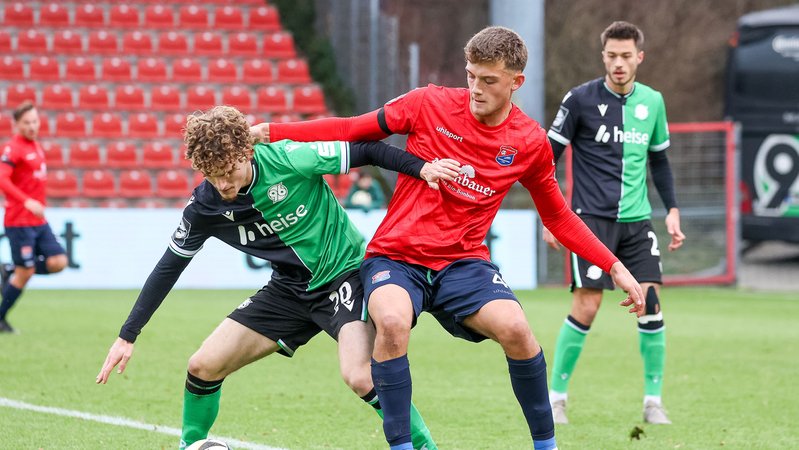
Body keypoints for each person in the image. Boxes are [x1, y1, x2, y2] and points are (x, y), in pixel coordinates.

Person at [252, 26, 646, 450]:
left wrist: (616, 267)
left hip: (463, 264)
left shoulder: (529, 142)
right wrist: (272, 131)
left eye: (489, 80)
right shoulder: (428, 103)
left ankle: (546, 446)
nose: (476, 89)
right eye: (471, 76)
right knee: (391, 321)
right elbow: (354, 127)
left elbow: (560, 216)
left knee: (516, 328)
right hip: (396, 256)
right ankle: (404, 446)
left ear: (517, 82)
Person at [95, 106, 461, 450]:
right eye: (212, 174)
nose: (222, 183)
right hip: (287, 289)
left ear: (246, 153)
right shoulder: (205, 207)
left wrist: (421, 168)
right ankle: (190, 446)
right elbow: (168, 266)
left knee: (360, 376)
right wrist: (128, 335)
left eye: (229, 171)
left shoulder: (289, 158)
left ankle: (424, 447)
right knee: (202, 366)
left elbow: (368, 150)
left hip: (344, 276)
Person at [544, 21, 686, 425]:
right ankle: (557, 398)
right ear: (602, 56)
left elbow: (659, 160)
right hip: (589, 222)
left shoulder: (653, 102)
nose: (619, 63)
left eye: (626, 56)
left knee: (651, 305)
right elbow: (546, 159)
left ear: (639, 57)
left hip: (638, 223)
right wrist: (550, 217)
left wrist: (672, 209)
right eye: (612, 55)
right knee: (587, 306)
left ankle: (653, 402)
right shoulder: (579, 100)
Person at [0, 102, 68, 333]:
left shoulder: (36, 146)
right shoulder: (13, 148)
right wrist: (26, 200)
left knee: (58, 262)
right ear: (17, 124)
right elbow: (2, 179)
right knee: (25, 273)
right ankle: (1, 319)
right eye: (27, 122)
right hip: (19, 221)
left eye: (35, 121)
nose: (32, 126)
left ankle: (10, 269)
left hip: (38, 222)